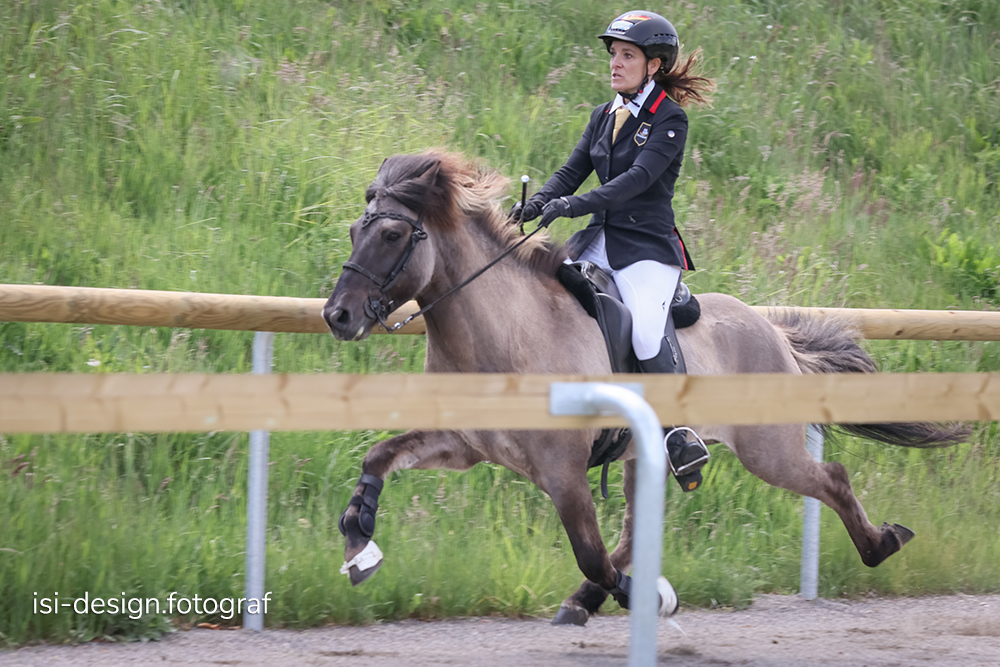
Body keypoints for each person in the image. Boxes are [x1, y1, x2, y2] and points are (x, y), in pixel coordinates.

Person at [514, 10, 715, 491]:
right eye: (613, 55)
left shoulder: (670, 118)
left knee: (646, 333)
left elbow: (635, 182)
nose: (615, 63)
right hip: (598, 240)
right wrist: (537, 203)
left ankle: (677, 433)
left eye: (627, 55)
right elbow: (570, 170)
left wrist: (571, 204)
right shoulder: (604, 115)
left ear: (654, 64)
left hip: (647, 248)